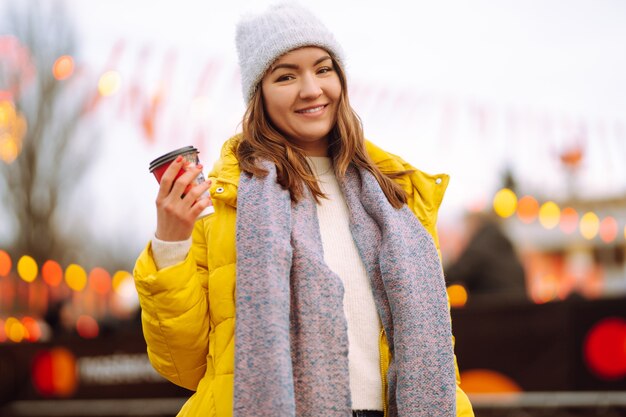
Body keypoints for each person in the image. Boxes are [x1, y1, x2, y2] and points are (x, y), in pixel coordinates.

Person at [133, 3, 474, 417]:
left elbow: (438, 358)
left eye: (323, 68)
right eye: (286, 76)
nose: (311, 89)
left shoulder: (398, 200)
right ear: (259, 94)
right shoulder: (226, 203)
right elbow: (182, 364)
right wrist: (171, 243)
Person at [445, 211, 527, 303]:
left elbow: (450, 276)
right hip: (519, 309)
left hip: (491, 310)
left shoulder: (480, 245)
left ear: (474, 225)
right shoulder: (502, 243)